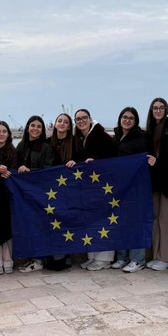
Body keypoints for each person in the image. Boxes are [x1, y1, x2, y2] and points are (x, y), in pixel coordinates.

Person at [69, 108, 117, 270]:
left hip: (103, 185)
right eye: (78, 119)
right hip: (89, 187)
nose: (81, 121)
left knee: (103, 220)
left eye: (84, 118)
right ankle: (93, 256)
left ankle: (104, 258)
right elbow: (81, 158)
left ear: (90, 119)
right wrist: (74, 161)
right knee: (91, 221)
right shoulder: (79, 138)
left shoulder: (102, 136)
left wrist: (97, 160)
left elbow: (112, 156)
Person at [111, 107, 155, 273]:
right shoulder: (115, 137)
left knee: (136, 222)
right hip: (119, 186)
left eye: (131, 118)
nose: (127, 120)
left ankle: (137, 259)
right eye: (124, 117)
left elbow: (145, 159)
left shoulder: (142, 138)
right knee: (121, 222)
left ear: (136, 121)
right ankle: (122, 257)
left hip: (136, 187)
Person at [145, 98, 168, 271]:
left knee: (167, 220)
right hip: (155, 182)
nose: (158, 110)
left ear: (166, 109)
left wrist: (157, 163)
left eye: (161, 107)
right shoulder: (151, 130)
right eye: (155, 108)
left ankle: (167, 258)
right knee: (156, 220)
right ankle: (158, 255)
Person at [16, 116, 56, 272]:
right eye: (33, 125)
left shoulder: (46, 147)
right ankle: (31, 256)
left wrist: (29, 171)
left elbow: (48, 170)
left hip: (40, 193)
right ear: (27, 127)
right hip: (24, 194)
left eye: (39, 126)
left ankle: (39, 259)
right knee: (28, 225)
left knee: (39, 225)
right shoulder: (21, 146)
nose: (35, 129)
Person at [49, 112, 76, 269]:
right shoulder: (48, 143)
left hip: (68, 190)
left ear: (69, 126)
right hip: (51, 190)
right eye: (59, 120)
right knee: (52, 223)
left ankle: (66, 256)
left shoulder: (75, 143)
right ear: (55, 123)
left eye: (66, 122)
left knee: (67, 222)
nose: (62, 123)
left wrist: (75, 162)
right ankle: (53, 256)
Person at [0, 121, 17, 274]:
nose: (1, 134)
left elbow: (14, 169)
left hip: (7, 193)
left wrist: (8, 172)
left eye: (4, 131)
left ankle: (8, 259)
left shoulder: (13, 150)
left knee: (7, 226)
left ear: (8, 134)